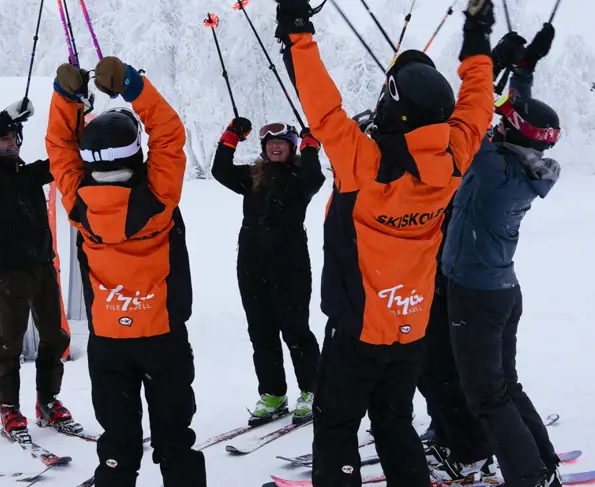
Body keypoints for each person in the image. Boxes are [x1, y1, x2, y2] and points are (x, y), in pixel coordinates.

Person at [273, 0, 497, 485]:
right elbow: (479, 103)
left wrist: (296, 31)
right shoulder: (455, 156)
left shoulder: (363, 162)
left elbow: (322, 105)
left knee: (336, 426)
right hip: (409, 327)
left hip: (356, 330)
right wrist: (478, 34)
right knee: (394, 421)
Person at [45, 56, 206, 487]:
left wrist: (66, 98)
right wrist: (132, 86)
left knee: (117, 444)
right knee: (175, 440)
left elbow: (60, 148)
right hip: (163, 338)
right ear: (136, 153)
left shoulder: (79, 202)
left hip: (109, 341)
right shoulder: (159, 196)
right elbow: (169, 134)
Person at [436, 21, 563, 487]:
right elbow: (512, 114)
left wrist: (492, 67)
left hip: (475, 295)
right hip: (502, 291)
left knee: (486, 397)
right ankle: (543, 465)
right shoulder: (524, 168)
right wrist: (523, 69)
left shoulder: (491, 168)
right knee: (506, 386)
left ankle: (528, 477)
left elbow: (464, 117)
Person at [0, 99, 79, 439]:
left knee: (55, 337)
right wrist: (2, 119)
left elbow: (61, 160)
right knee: (10, 344)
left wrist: (78, 119)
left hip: (43, 267)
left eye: (14, 137)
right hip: (10, 272)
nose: (10, 143)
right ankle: (10, 409)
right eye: (3, 139)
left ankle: (47, 401)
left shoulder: (28, 174)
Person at [211, 117, 324, 426]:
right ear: (263, 148)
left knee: (296, 329)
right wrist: (231, 136)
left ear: (291, 148)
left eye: (282, 143)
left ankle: (312, 390)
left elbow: (316, 179)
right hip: (251, 261)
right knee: (261, 331)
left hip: (290, 263)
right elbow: (219, 170)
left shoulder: (301, 177)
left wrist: (312, 147)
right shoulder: (252, 177)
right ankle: (273, 394)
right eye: (270, 143)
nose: (275, 146)